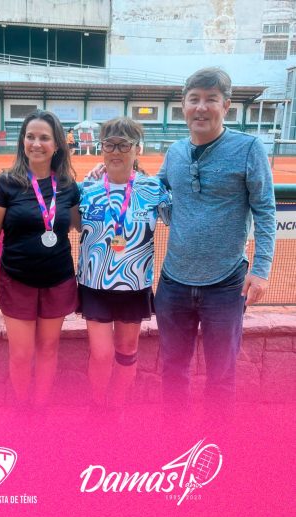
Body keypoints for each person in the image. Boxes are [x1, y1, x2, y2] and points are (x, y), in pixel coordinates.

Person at [154, 67, 276, 413]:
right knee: (172, 370)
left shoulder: (249, 148)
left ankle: (215, 441)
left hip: (226, 285)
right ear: (183, 105)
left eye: (211, 99)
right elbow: (156, 190)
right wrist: (114, 177)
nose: (201, 107)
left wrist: (261, 269)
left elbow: (265, 211)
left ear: (226, 106)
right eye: (194, 99)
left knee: (221, 376)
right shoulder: (175, 151)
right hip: (173, 283)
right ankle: (173, 438)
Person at [0, 110, 80, 411]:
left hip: (57, 280)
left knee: (48, 349)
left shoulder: (68, 185)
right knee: (21, 354)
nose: (36, 143)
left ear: (57, 144)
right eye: (30, 137)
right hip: (17, 280)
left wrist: (102, 182)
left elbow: (78, 224)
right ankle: (23, 409)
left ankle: (40, 409)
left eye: (44, 138)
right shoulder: (5, 182)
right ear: (22, 141)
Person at [77, 117, 171, 413]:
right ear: (101, 148)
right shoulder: (86, 188)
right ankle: (97, 405)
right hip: (95, 285)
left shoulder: (153, 188)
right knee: (102, 354)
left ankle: (115, 408)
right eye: (109, 144)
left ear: (137, 148)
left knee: (127, 351)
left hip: (134, 285)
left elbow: (182, 220)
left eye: (124, 144)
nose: (116, 151)